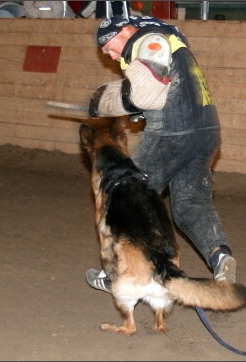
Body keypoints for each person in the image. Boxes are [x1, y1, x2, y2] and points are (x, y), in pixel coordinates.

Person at [85, 15, 237, 293]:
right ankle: (220, 256)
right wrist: (142, 111)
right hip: (206, 133)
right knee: (190, 205)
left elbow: (143, 95)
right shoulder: (172, 42)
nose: (109, 54)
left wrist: (103, 100)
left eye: (110, 45)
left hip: (172, 135)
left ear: (125, 31)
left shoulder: (148, 39)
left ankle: (116, 274)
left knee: (125, 197)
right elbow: (165, 91)